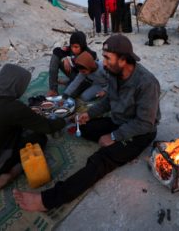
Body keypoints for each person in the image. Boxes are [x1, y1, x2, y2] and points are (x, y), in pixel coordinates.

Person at [13, 34, 161, 211]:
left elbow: (145, 123)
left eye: (107, 58)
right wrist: (89, 114)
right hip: (119, 120)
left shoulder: (147, 83)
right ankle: (110, 140)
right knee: (83, 128)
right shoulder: (113, 73)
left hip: (140, 131)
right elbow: (108, 101)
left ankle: (48, 200)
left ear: (122, 60)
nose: (103, 63)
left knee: (100, 160)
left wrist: (114, 136)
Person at [0, 64, 66, 194]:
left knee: (15, 129)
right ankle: (9, 174)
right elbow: (48, 127)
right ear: (17, 85)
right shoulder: (14, 107)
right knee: (39, 138)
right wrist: (64, 119)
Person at [47, 31, 97, 97]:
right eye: (72, 46)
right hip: (75, 74)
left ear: (82, 46)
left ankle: (69, 83)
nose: (73, 49)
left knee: (71, 94)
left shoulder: (89, 54)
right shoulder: (71, 49)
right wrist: (64, 58)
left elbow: (94, 73)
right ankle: (53, 90)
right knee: (56, 57)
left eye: (76, 47)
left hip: (85, 79)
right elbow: (56, 50)